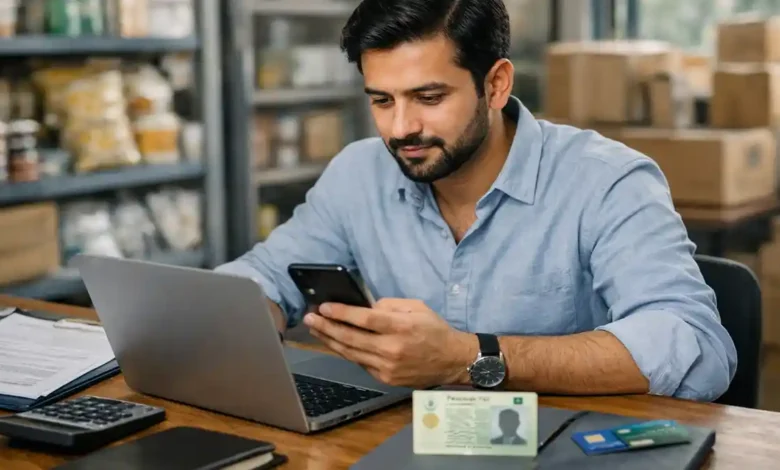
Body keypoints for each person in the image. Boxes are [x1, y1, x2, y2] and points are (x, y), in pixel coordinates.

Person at [217, 0, 737, 401]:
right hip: (404, 443)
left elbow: (697, 349)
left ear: (496, 85)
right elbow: (262, 277)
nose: (401, 128)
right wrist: (231, 318)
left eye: (429, 97)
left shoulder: (607, 181)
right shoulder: (358, 174)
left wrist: (468, 357)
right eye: (382, 100)